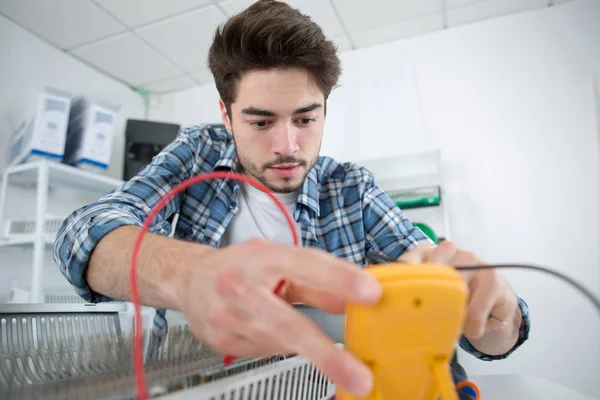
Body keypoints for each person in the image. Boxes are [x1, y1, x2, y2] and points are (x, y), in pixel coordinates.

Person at [54, 0, 530, 397]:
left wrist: (492, 311)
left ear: (325, 108)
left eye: (306, 119)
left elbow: (490, 336)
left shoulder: (350, 190)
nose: (287, 146)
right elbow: (82, 233)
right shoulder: (197, 153)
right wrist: (188, 271)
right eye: (260, 122)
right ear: (226, 113)